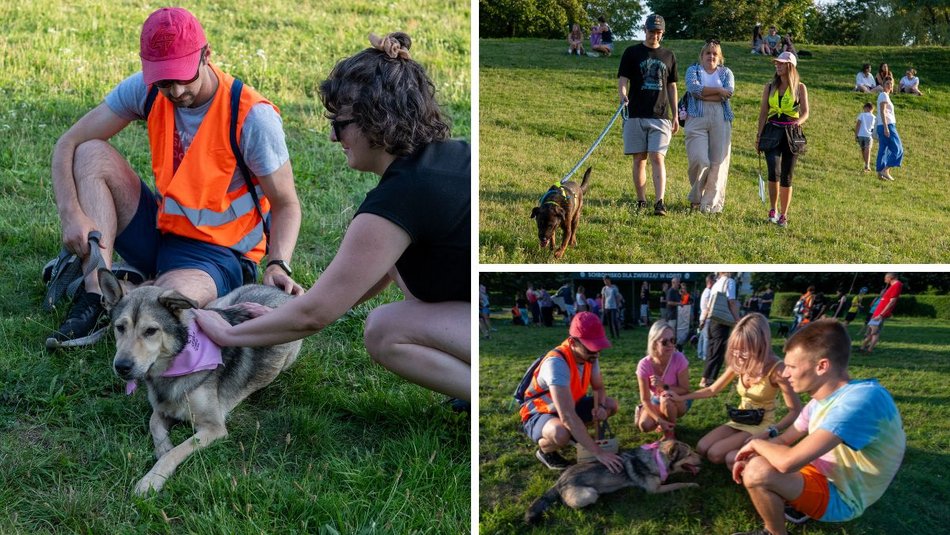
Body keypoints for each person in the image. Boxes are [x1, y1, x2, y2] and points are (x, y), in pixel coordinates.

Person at [194, 32, 471, 403]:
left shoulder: (398, 201)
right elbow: (365, 275)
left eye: (339, 124)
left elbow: (315, 315)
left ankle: (481, 392)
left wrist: (227, 333)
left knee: (384, 329)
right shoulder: (449, 156)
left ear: (376, 120)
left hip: (480, 324)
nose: (331, 136)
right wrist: (291, 310)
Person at [47, 7, 304, 347]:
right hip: (162, 229)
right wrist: (71, 214)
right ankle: (95, 295)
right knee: (91, 152)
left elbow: (287, 204)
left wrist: (278, 265)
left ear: (206, 55)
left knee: (164, 307)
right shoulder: (148, 89)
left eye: (184, 76)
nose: (176, 90)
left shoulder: (252, 116)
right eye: (164, 80)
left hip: (219, 254)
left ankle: (127, 284)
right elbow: (69, 143)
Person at [730, 320, 905, 535]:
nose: (785, 374)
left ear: (822, 366)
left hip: (843, 496)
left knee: (758, 472)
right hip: (822, 473)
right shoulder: (822, 400)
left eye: (792, 367)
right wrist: (752, 453)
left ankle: (775, 533)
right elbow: (784, 440)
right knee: (757, 462)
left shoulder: (861, 401)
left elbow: (787, 462)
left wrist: (756, 444)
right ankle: (793, 502)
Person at [668, 313, 801, 469]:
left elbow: (796, 410)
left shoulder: (777, 370)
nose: (738, 355)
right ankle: (743, 450)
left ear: (760, 344)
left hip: (761, 424)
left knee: (715, 454)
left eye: (744, 350)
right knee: (702, 448)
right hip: (741, 418)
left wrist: (771, 431)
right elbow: (712, 389)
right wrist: (681, 397)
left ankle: (756, 450)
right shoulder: (740, 361)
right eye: (736, 349)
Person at [519, 312, 623, 473]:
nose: (596, 354)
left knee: (611, 405)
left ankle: (576, 434)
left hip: (569, 405)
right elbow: (567, 416)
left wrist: (601, 406)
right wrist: (599, 453)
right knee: (560, 433)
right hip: (540, 412)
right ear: (573, 342)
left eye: (598, 348)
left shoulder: (591, 357)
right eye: (590, 348)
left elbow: (599, 388)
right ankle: (546, 450)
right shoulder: (556, 364)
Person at [618, 14, 679, 216]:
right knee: (639, 159)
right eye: (652, 31)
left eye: (658, 32)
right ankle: (641, 200)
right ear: (645, 30)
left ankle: (659, 202)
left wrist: (676, 114)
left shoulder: (669, 56)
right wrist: (623, 96)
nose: (655, 35)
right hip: (635, 113)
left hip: (660, 115)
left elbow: (672, 86)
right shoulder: (632, 53)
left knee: (657, 157)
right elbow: (623, 79)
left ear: (663, 33)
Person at [756, 52, 809, 228]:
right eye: (776, 63)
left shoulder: (800, 87)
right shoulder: (769, 87)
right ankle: (773, 209)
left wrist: (798, 122)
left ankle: (784, 214)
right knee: (774, 170)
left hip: (791, 132)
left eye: (781, 63)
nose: (777, 66)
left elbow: (806, 112)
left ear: (790, 66)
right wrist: (759, 136)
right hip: (772, 131)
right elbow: (763, 113)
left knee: (787, 175)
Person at [684, 39, 735, 213]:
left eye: (715, 54)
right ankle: (696, 198)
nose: (711, 56)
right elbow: (693, 89)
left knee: (718, 163)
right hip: (696, 117)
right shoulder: (693, 70)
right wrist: (718, 92)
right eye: (708, 53)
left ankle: (710, 204)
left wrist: (706, 94)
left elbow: (728, 93)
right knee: (699, 160)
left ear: (719, 57)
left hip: (721, 118)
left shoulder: (726, 72)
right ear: (702, 55)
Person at [635, 320, 692, 440]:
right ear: (654, 344)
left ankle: (670, 434)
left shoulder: (679, 359)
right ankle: (662, 420)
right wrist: (658, 420)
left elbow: (686, 390)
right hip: (656, 399)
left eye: (673, 340)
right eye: (665, 342)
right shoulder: (644, 364)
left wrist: (663, 386)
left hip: (680, 399)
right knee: (645, 425)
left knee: (666, 397)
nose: (671, 345)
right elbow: (645, 399)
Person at [699, 272, 739, 388]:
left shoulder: (716, 284)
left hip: (712, 321)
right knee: (718, 352)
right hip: (722, 321)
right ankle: (708, 379)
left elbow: (709, 305)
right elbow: (731, 302)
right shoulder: (730, 282)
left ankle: (705, 379)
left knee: (711, 351)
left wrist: (703, 320)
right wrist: (737, 319)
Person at [860, 273, 902, 354]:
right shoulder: (893, 286)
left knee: (874, 333)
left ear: (891, 278)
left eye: (886, 278)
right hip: (876, 313)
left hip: (878, 315)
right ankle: (862, 348)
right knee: (870, 331)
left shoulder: (897, 285)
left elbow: (892, 302)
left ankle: (869, 350)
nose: (884, 280)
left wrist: (881, 315)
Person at [875, 77, 903, 181]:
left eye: (891, 84)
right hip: (888, 125)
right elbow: (883, 112)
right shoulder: (883, 95)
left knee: (883, 149)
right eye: (887, 83)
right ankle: (885, 170)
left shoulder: (884, 96)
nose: (889, 85)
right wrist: (886, 128)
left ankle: (880, 173)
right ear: (883, 85)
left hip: (882, 126)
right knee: (898, 149)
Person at [697, 275, 715, 360]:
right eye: (714, 281)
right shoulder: (709, 292)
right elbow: (708, 306)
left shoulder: (705, 291)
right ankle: (704, 356)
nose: (715, 282)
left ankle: (700, 353)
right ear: (710, 282)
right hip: (706, 317)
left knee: (701, 337)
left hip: (702, 316)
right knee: (706, 338)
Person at [854, 102, 876, 173]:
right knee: (868, 149)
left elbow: (858, 124)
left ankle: (866, 164)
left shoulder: (861, 115)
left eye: (864, 108)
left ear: (867, 108)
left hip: (860, 135)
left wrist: (856, 134)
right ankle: (867, 165)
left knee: (863, 149)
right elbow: (874, 128)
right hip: (869, 135)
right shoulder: (874, 117)